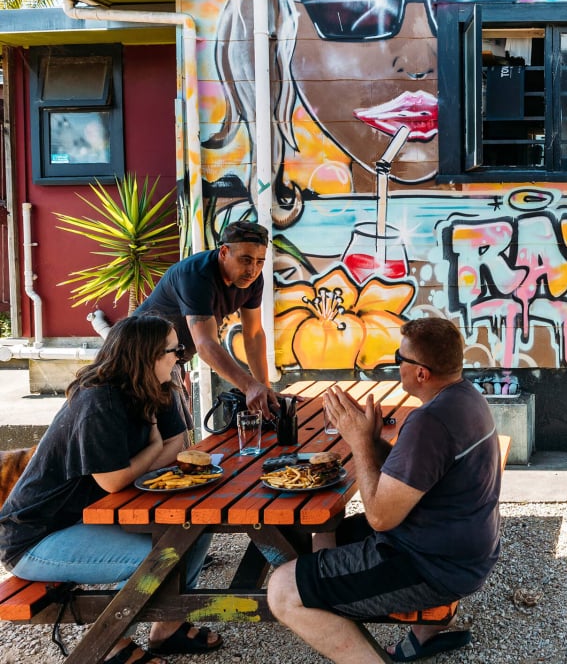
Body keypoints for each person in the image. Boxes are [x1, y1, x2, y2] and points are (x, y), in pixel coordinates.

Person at [267, 317, 502, 663]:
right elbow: (416, 475)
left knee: (282, 589)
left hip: (434, 565)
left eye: (399, 358)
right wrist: (375, 441)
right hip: (463, 550)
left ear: (421, 373)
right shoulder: (466, 398)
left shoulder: (430, 422)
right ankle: (418, 637)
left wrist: (359, 442)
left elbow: (379, 516)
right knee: (323, 532)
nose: (395, 364)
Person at [0, 315, 223, 664]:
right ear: (147, 356)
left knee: (193, 529)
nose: (181, 356)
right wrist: (152, 447)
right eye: (174, 350)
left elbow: (178, 446)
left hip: (86, 518)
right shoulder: (98, 400)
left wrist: (154, 451)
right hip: (36, 535)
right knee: (159, 560)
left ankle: (167, 627)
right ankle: (110, 644)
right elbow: (113, 480)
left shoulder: (160, 385)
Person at [135, 220, 280, 419]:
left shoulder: (253, 280)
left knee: (176, 433)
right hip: (139, 358)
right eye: (245, 260)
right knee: (166, 435)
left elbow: (253, 334)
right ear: (223, 252)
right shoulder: (195, 275)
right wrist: (249, 386)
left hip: (172, 359)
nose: (252, 270)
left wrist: (264, 389)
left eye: (260, 261)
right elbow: (205, 344)